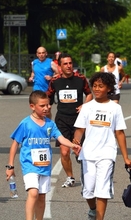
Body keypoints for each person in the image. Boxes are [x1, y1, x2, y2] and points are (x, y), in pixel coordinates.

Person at [6, 91, 81, 220]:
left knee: (41, 196)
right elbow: (15, 144)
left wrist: (72, 145)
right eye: (42, 106)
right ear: (32, 106)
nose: (46, 108)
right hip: (29, 164)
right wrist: (10, 166)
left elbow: (61, 138)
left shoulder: (50, 124)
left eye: (47, 105)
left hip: (45, 166)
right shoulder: (25, 124)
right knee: (33, 193)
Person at [73, 72, 131, 220]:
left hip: (107, 153)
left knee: (102, 190)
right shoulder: (87, 107)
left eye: (101, 86)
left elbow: (119, 133)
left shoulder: (115, 108)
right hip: (88, 153)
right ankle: (93, 210)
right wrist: (76, 144)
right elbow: (80, 129)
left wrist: (126, 157)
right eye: (94, 86)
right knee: (88, 189)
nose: (97, 89)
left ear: (109, 88)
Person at [47, 53, 92, 188]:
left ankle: (86, 175)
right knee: (64, 151)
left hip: (79, 120)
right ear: (60, 66)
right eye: (65, 64)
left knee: (81, 151)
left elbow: (89, 93)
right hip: (62, 119)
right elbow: (47, 98)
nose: (68, 66)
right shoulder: (55, 81)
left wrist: (84, 105)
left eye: (70, 63)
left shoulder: (80, 79)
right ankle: (70, 177)